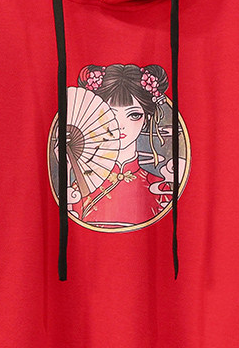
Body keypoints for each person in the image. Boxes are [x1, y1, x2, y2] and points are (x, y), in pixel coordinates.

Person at [61, 63, 182, 230]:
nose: (120, 125)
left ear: (146, 119)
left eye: (133, 115)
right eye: (109, 114)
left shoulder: (160, 189)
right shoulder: (77, 189)